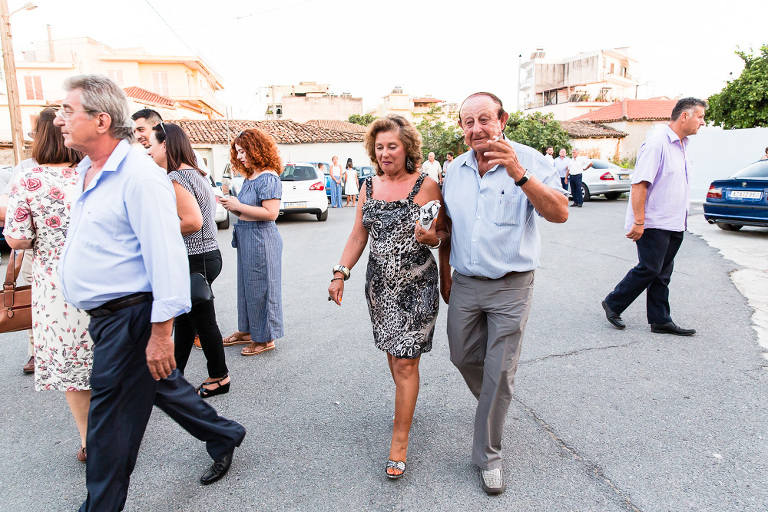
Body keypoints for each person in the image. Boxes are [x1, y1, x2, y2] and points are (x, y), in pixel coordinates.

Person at [55, 75, 245, 512]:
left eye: (69, 111)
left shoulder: (139, 177)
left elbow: (167, 258)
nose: (59, 119)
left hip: (130, 317)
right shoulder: (89, 172)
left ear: (102, 120)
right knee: (162, 386)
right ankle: (223, 433)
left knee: (108, 427)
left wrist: (161, 334)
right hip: (108, 319)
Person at [439, 92, 568, 495]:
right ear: (461, 129)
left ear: (502, 120)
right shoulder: (455, 170)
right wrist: (445, 269)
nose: (476, 128)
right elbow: (449, 224)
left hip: (512, 285)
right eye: (467, 122)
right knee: (461, 355)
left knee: (499, 370)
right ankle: (495, 402)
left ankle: (488, 456)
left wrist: (520, 174)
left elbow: (560, 212)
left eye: (484, 119)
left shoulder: (531, 160)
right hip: (465, 283)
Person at [328, 114, 446, 480]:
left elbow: (443, 231)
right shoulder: (368, 186)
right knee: (397, 361)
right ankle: (405, 404)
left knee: (406, 363)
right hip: (381, 289)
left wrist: (434, 242)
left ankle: (400, 440)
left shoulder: (425, 185)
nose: (385, 153)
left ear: (407, 147)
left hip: (417, 286)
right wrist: (340, 272)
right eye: (379, 147)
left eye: (392, 146)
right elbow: (357, 236)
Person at [3, 107, 92, 462]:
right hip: (101, 278)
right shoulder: (91, 175)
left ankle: (89, 440)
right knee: (107, 357)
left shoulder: (28, 179)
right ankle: (118, 427)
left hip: (55, 286)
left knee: (73, 367)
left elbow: (18, 240)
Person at [601, 97, 707, 336]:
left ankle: (660, 319)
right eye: (700, 116)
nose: (703, 122)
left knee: (663, 273)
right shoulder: (657, 144)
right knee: (650, 268)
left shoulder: (682, 145)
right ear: (685, 116)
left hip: (674, 222)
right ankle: (614, 302)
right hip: (653, 222)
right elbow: (639, 185)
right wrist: (639, 221)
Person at [147, 121, 231, 397]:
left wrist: (155, 230)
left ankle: (219, 377)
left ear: (166, 145)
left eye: (151, 144)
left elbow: (192, 222)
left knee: (203, 322)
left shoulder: (178, 178)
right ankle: (173, 378)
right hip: (205, 256)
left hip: (195, 259)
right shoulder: (196, 174)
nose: (148, 150)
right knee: (185, 320)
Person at [219, 128, 284, 356]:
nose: (239, 156)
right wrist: (232, 203)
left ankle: (265, 338)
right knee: (248, 288)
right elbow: (248, 209)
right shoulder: (251, 176)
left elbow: (271, 213)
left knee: (262, 288)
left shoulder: (269, 177)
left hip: (261, 238)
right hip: (248, 236)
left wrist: (237, 206)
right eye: (237, 152)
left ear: (256, 149)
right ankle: (248, 331)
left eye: (243, 151)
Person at [0, 156, 37, 374]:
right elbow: (3, 205)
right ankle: (36, 350)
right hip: (32, 246)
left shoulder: (80, 160)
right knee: (33, 297)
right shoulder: (25, 167)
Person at [132, 108, 210, 175]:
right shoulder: (140, 159)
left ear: (157, 126)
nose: (137, 136)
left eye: (141, 130)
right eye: (134, 132)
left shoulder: (190, 156)